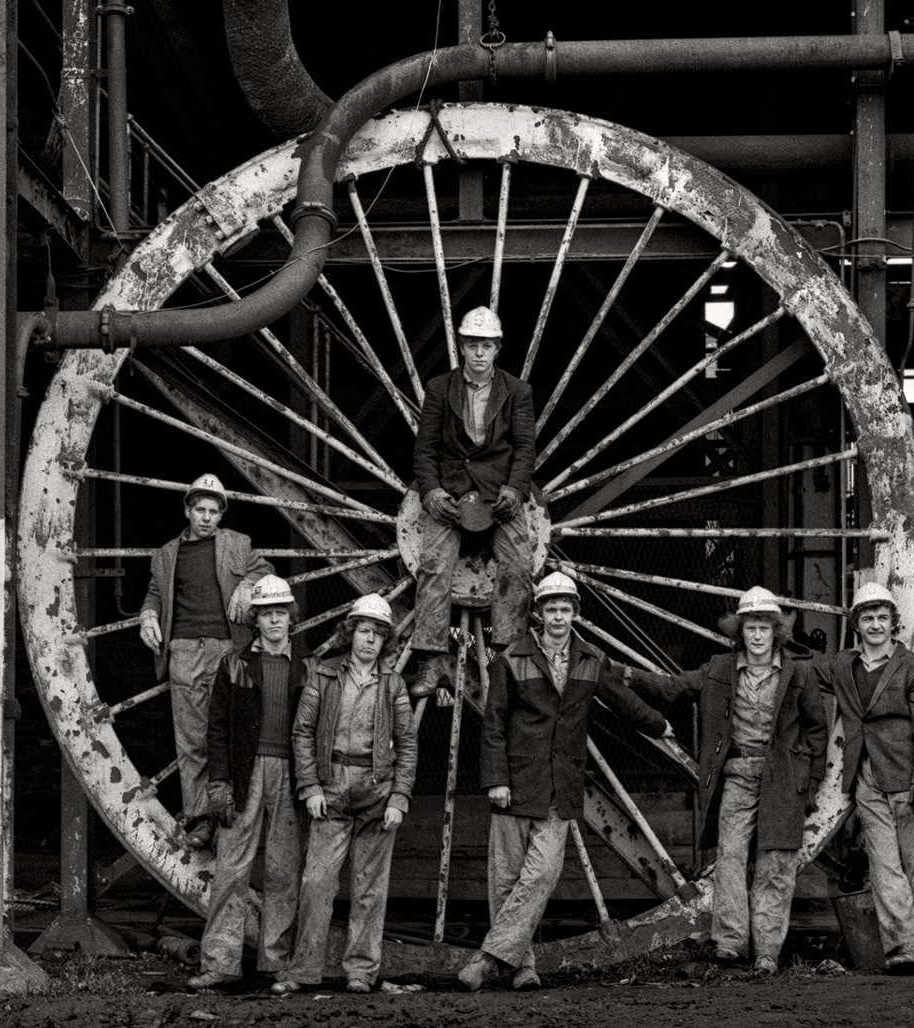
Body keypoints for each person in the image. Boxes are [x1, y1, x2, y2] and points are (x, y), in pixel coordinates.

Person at [458, 572, 674, 991]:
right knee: (505, 882)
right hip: (515, 782)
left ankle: (487, 959)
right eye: (551, 609)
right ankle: (523, 967)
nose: (558, 616)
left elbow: (624, 703)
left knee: (541, 876)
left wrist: (659, 724)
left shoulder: (590, 660)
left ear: (575, 613)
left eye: (565, 609)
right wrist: (495, 779)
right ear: (539, 613)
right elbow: (494, 724)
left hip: (561, 784)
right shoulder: (511, 659)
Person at [621, 586, 828, 975]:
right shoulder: (719, 669)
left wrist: (811, 783)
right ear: (739, 632)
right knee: (730, 860)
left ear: (777, 632)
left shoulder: (799, 672)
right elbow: (674, 687)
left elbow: (818, 728)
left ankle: (767, 953)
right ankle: (731, 942)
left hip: (784, 781)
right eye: (750, 627)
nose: (757, 635)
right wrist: (627, 675)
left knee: (775, 865)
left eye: (765, 627)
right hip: (738, 776)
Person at [271, 593, 418, 995]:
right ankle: (304, 971)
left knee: (370, 888)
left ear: (385, 642)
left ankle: (361, 972)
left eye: (378, 635)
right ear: (350, 633)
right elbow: (302, 732)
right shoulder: (323, 676)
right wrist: (310, 785)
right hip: (331, 787)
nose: (370, 640)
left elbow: (407, 743)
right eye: (364, 631)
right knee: (317, 883)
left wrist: (399, 797)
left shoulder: (392, 683)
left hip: (376, 792)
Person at [139, 473, 274, 850]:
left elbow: (265, 569)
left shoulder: (237, 543)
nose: (206, 517)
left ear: (221, 515)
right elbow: (154, 593)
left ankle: (230, 812)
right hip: (183, 649)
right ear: (187, 510)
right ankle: (200, 818)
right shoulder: (166, 555)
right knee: (191, 738)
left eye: (214, 511)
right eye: (200, 509)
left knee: (230, 731)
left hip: (226, 649)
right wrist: (148, 615)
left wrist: (247, 584)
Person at [814, 581, 914, 974]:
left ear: (894, 623)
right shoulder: (842, 666)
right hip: (865, 777)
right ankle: (906, 947)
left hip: (906, 778)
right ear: (857, 623)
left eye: (882, 618)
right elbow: (801, 670)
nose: (875, 625)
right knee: (884, 866)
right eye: (867, 618)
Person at [409, 305, 536, 696]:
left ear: (497, 348)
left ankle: (508, 655)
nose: (479, 353)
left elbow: (525, 448)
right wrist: (431, 493)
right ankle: (430, 660)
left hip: (499, 496)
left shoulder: (517, 391)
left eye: (486, 345)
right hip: (451, 494)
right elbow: (425, 450)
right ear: (462, 347)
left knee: (518, 567)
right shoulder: (439, 388)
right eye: (472, 345)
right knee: (433, 568)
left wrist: (515, 490)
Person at [189, 575, 306, 990]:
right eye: (266, 613)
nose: (274, 620)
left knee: (283, 871)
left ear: (290, 618)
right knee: (231, 869)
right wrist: (219, 783)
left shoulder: (307, 668)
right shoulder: (234, 664)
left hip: (290, 775)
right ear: (255, 619)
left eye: (280, 613)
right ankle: (220, 963)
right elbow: (216, 729)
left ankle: (275, 964)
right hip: (246, 773)